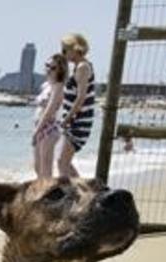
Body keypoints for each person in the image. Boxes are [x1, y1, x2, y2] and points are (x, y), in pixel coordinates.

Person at [57, 33, 94, 177]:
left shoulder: (82, 67)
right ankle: (82, 194)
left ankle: (75, 196)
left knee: (62, 162)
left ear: (75, 49)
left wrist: (67, 120)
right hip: (74, 122)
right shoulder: (79, 66)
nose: (63, 54)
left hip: (78, 123)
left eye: (65, 50)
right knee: (64, 162)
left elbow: (81, 98)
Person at [32, 54, 67, 179]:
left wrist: (37, 130)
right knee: (37, 167)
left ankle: (48, 195)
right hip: (40, 126)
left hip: (50, 128)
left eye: (53, 68)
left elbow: (50, 110)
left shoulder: (59, 86)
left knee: (45, 168)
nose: (48, 69)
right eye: (47, 66)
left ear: (60, 70)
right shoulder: (45, 85)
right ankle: (43, 191)